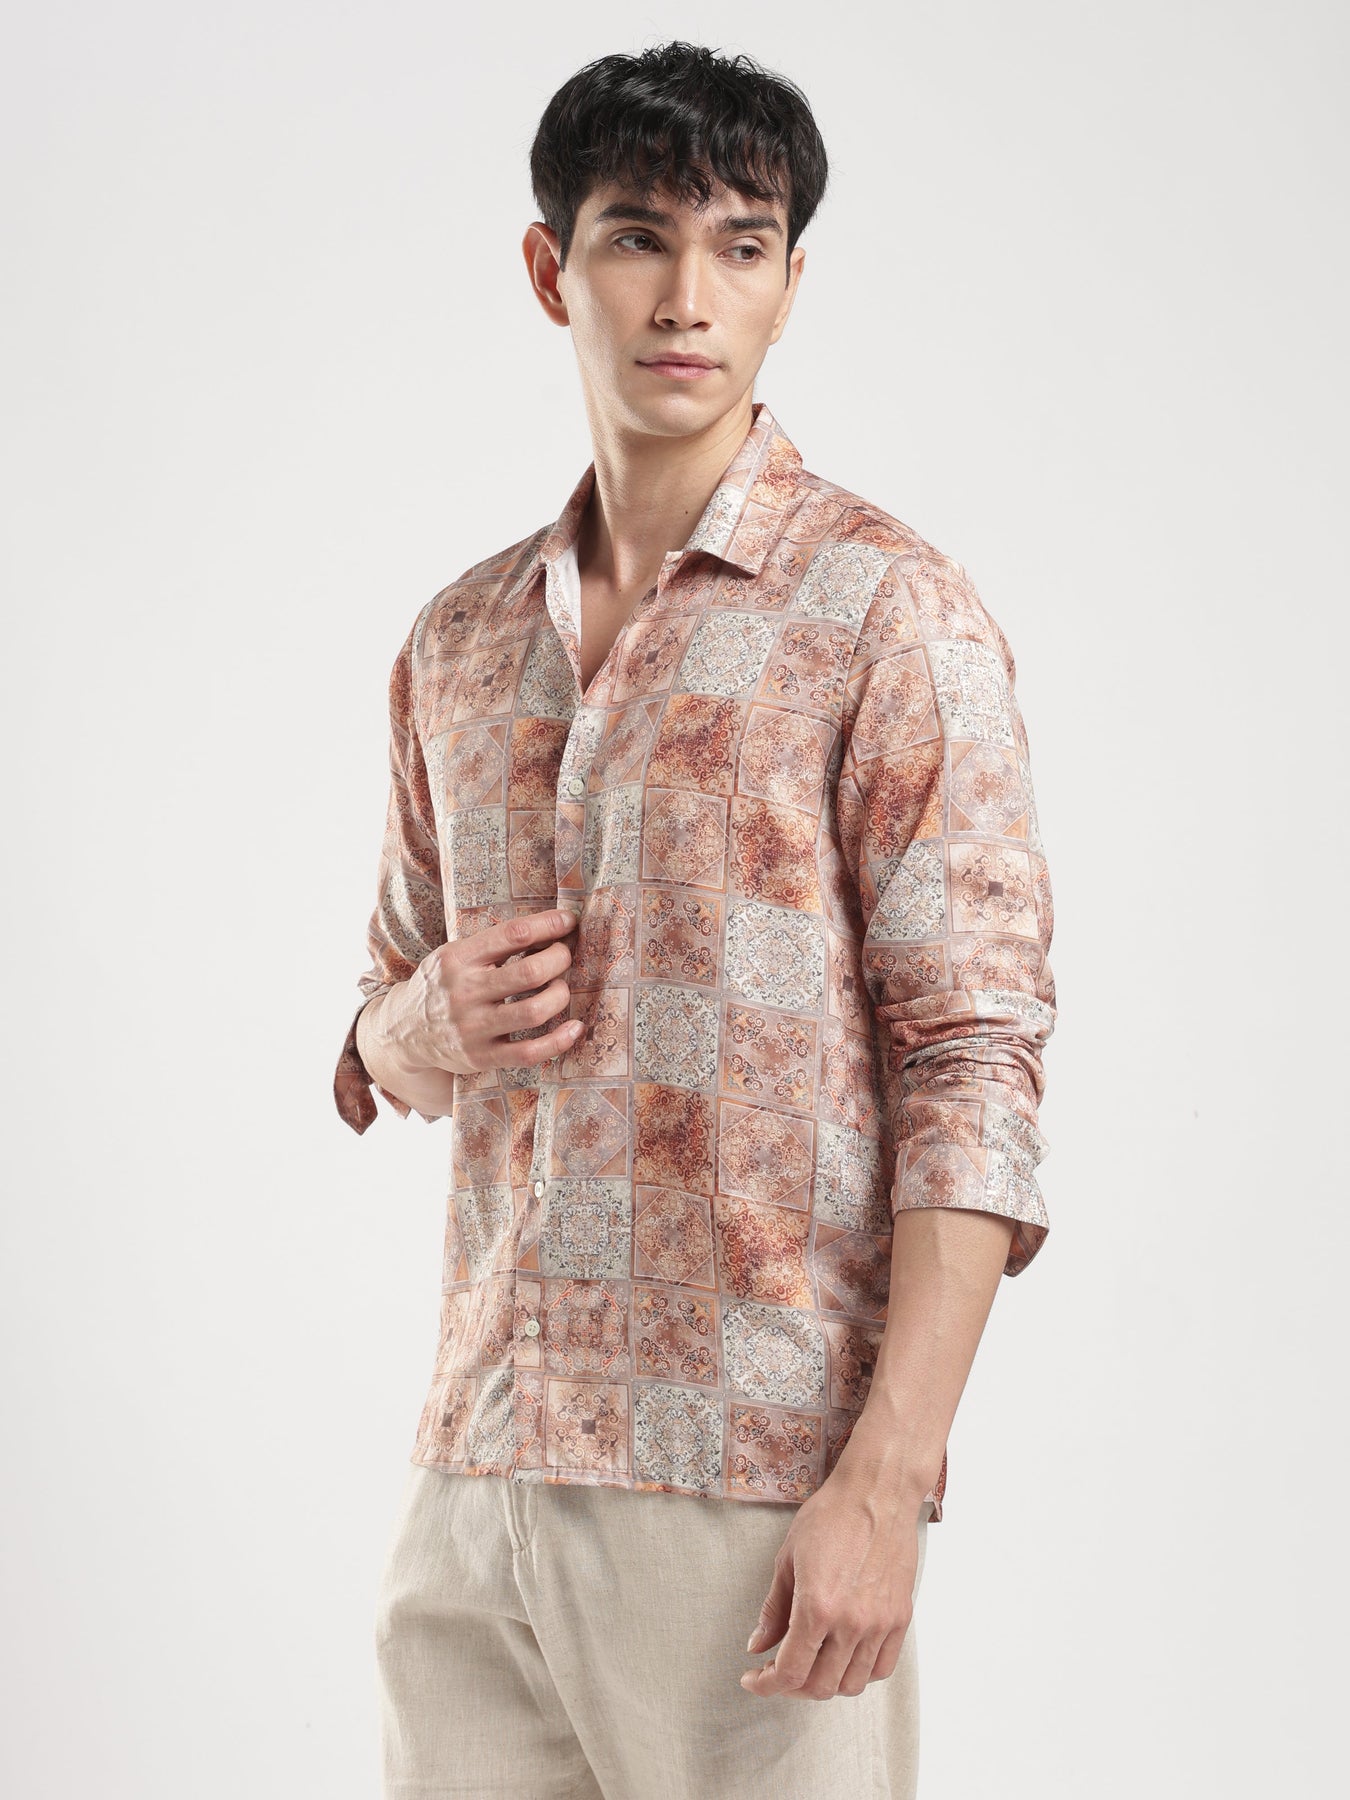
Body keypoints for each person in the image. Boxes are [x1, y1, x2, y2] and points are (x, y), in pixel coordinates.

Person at [333, 39, 1058, 1800]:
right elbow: (383, 1030)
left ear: (791, 285)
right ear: (550, 269)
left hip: (750, 1488)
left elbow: (972, 1067)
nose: (686, 297)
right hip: (477, 1472)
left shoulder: (884, 613)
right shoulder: (459, 642)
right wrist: (412, 1026)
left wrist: (885, 1478)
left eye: (740, 246)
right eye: (637, 237)